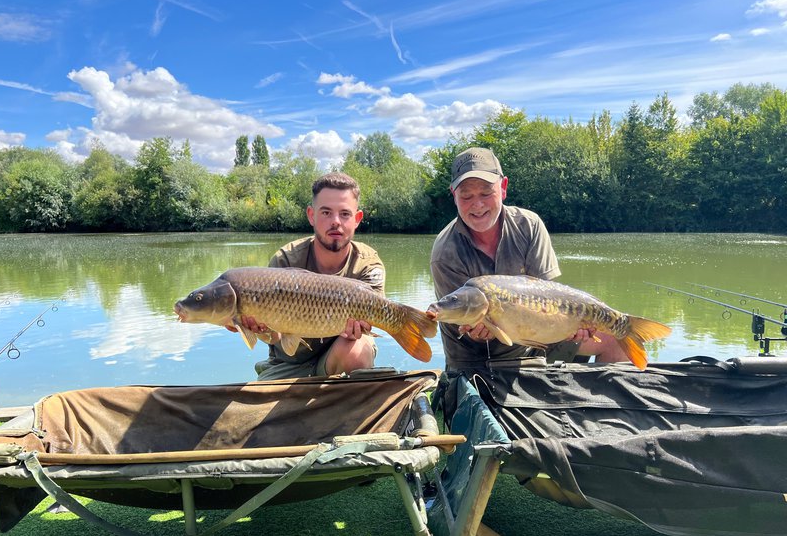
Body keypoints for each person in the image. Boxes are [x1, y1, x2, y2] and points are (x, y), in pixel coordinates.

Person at [430, 146, 628, 374]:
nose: (477, 204)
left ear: (503, 188)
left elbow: (549, 296)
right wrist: (482, 328)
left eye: (486, 193)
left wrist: (572, 325)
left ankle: (607, 406)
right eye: (466, 195)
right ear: (454, 195)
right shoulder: (445, 251)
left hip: (538, 340)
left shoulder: (529, 225)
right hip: (475, 360)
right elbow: (459, 320)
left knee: (615, 338)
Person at [230, 172, 385, 380]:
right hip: (289, 363)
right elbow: (275, 337)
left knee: (357, 350)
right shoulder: (285, 260)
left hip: (339, 355)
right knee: (258, 412)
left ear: (357, 219)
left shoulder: (368, 263)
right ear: (311, 215)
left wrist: (361, 328)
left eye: (345, 214)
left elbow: (372, 320)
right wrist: (259, 329)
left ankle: (346, 402)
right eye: (326, 212)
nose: (336, 222)